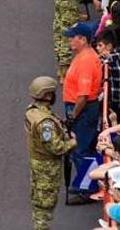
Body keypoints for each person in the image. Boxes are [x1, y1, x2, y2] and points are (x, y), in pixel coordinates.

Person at [25, 76, 76, 230]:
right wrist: (73, 142)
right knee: (45, 202)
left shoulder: (32, 111)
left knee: (40, 197)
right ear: (47, 95)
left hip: (39, 162)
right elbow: (56, 147)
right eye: (52, 93)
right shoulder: (45, 123)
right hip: (47, 167)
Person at [61, 21, 102, 205]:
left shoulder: (85, 61)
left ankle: (88, 189)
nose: (69, 40)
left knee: (80, 149)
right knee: (82, 147)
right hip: (82, 109)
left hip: (82, 110)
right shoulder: (83, 56)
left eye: (73, 37)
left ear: (83, 39)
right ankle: (84, 182)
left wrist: (73, 116)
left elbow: (83, 96)